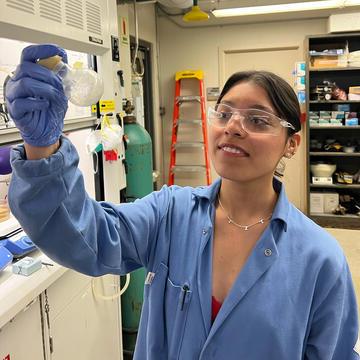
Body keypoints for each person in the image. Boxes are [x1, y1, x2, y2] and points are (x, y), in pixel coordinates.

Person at [6, 44, 360, 360]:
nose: (233, 126)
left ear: (292, 143)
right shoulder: (171, 213)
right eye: (224, 113)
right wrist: (43, 146)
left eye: (257, 119)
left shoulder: (319, 259)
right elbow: (85, 236)